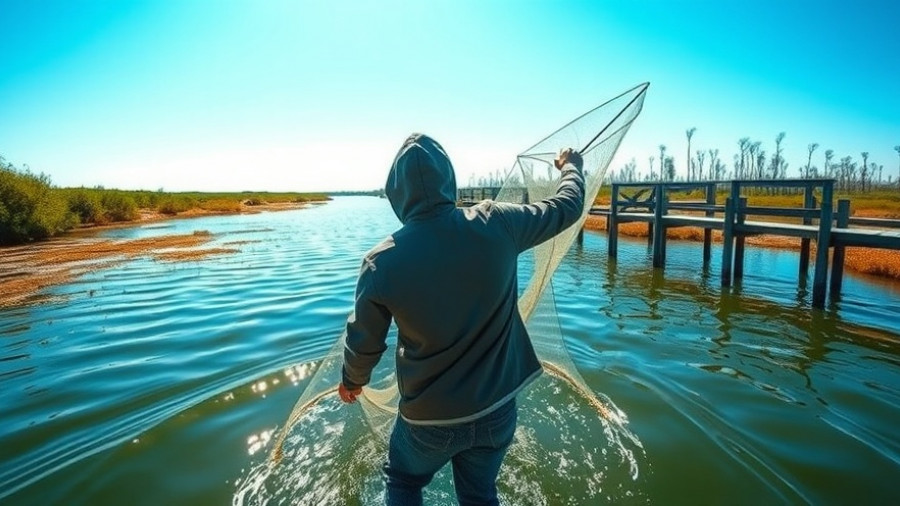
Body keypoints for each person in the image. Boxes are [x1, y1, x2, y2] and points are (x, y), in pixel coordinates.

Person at [337, 133, 584, 505]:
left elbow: (364, 345)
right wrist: (571, 168)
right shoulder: (497, 221)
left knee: (403, 481)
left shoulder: (380, 262)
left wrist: (351, 382)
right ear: (449, 179)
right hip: (497, 411)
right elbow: (567, 206)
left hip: (427, 422)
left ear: (395, 192)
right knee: (479, 493)